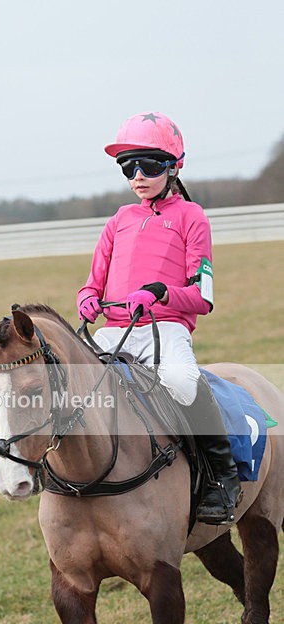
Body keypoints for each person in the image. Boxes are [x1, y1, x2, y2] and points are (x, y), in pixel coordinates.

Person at [76, 111, 241, 525]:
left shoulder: (192, 216)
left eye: (147, 165)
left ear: (173, 166)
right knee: (75, 389)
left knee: (183, 381)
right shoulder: (118, 220)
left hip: (166, 329)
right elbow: (91, 282)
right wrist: (87, 299)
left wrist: (161, 293)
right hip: (113, 332)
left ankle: (223, 478)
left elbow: (202, 298)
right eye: (127, 167)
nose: (137, 176)